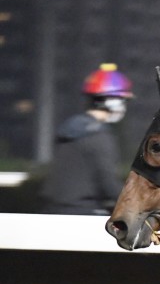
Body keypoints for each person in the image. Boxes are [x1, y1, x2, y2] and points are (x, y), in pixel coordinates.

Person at [41, 63, 132, 216]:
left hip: (53, 210)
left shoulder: (68, 129)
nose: (124, 106)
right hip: (83, 214)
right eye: (123, 100)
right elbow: (109, 185)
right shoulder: (100, 137)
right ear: (111, 101)